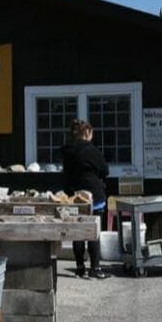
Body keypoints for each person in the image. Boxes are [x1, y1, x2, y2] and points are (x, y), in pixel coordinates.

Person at [60, 119, 110, 279]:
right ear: (87, 133)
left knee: (78, 232)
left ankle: (80, 266)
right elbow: (104, 170)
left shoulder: (67, 151)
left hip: (74, 196)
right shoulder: (91, 150)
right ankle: (95, 268)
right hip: (93, 195)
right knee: (92, 232)